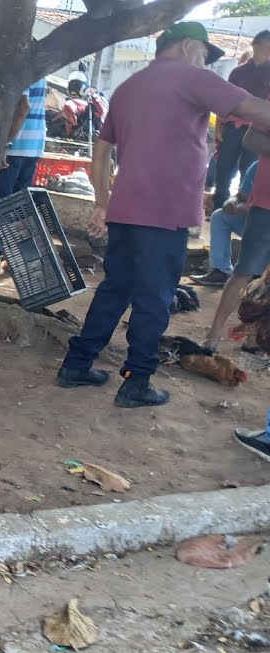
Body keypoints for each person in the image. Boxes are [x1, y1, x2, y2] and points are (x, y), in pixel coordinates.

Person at [58, 22, 270, 408]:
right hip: (164, 212)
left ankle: (76, 364)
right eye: (206, 53)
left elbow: (101, 151)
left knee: (115, 289)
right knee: (154, 298)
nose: (207, 62)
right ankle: (136, 381)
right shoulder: (191, 77)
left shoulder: (128, 88)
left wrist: (102, 202)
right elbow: (252, 109)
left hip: (126, 210)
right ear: (188, 45)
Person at [205, 134, 270, 350]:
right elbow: (251, 139)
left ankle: (254, 339)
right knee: (244, 272)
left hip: (261, 207)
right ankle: (213, 336)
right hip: (265, 207)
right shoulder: (265, 108)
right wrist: (234, 204)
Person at [0, 77, 49, 271]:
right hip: (34, 145)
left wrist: (6, 143)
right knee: (20, 205)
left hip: (17, 146)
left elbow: (22, 107)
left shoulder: (23, 68)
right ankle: (16, 257)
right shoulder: (40, 70)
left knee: (1, 203)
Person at [213, 31, 270, 210]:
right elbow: (224, 101)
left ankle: (243, 209)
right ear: (256, 44)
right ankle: (219, 209)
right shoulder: (239, 71)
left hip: (258, 131)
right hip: (233, 127)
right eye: (267, 44)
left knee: (249, 170)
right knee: (224, 169)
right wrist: (218, 129)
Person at [193, 161, 257, 288]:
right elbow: (241, 195)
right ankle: (221, 271)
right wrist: (232, 201)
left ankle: (257, 276)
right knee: (219, 216)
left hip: (264, 224)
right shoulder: (258, 166)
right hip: (253, 223)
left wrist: (250, 209)